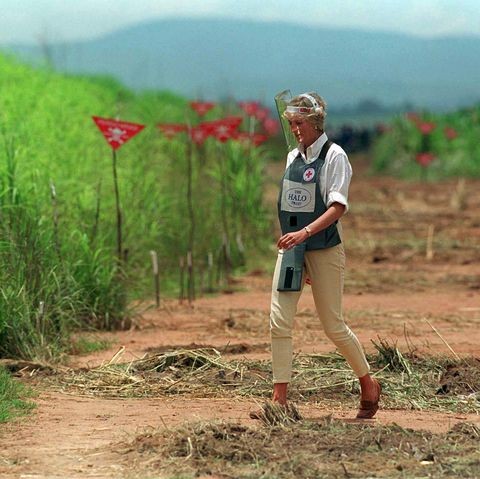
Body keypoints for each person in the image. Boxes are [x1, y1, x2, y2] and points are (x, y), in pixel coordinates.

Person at [266, 92, 380, 419]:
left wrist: (306, 234)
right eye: (291, 124)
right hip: (292, 249)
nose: (295, 130)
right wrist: (296, 241)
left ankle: (368, 383)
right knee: (279, 320)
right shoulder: (292, 157)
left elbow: (338, 206)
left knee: (333, 325)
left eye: (300, 123)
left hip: (325, 248)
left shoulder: (335, 156)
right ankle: (280, 399)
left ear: (315, 122)